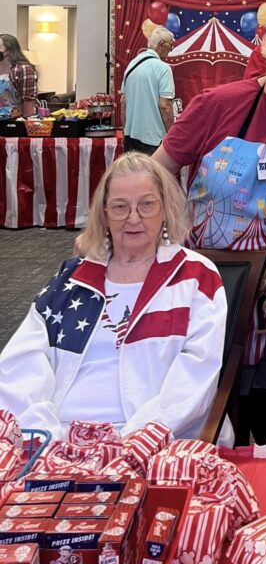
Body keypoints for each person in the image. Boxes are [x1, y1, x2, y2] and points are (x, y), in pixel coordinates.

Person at [152, 10, 266, 446]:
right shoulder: (217, 103)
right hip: (209, 281)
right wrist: (164, 240)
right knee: (207, 402)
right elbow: (158, 171)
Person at [0, 153, 227, 439]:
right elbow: (21, 360)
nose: (133, 218)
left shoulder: (195, 276)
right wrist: (42, 434)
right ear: (104, 215)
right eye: (120, 207)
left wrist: (130, 441)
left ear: (165, 210)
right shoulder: (72, 278)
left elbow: (196, 376)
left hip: (151, 439)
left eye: (146, 205)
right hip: (59, 435)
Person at [120, 26, 176, 154]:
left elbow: (123, 102)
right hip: (153, 140)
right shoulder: (163, 68)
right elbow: (165, 106)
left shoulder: (131, 65)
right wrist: (173, 135)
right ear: (162, 44)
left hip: (130, 138)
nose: (170, 51)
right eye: (170, 47)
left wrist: (125, 131)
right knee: (154, 174)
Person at [0, 34, 38, 118]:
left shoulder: (23, 70)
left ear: (9, 50)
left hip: (15, 121)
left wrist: (22, 126)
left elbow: (29, 103)